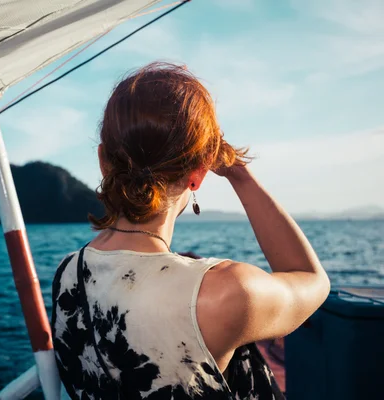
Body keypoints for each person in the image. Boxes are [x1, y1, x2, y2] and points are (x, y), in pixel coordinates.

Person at [50, 62, 330, 399]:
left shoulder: (67, 272)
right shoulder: (223, 293)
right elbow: (311, 280)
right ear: (198, 175)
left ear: (102, 160)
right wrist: (240, 176)